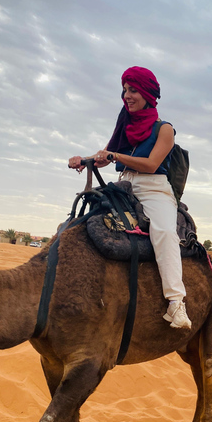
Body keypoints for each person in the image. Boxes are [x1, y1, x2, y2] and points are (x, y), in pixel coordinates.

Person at [68, 66, 191, 329]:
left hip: (155, 188)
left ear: (147, 93)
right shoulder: (125, 124)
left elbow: (150, 163)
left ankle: (176, 302)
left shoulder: (164, 129)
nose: (127, 95)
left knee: (164, 231)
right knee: (85, 215)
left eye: (133, 90)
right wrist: (84, 159)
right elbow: (106, 156)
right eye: (124, 90)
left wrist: (115, 156)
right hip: (126, 184)